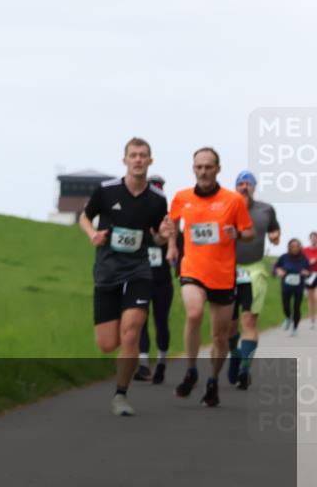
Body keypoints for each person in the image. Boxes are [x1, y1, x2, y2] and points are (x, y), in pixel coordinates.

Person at [79, 140, 174, 416]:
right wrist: (92, 235)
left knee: (131, 332)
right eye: (133, 155)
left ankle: (121, 395)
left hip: (139, 271)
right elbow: (84, 217)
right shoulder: (107, 191)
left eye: (143, 156)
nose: (138, 160)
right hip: (108, 270)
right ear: (125, 161)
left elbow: (156, 235)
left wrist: (163, 236)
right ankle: (124, 349)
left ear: (150, 161)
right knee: (108, 343)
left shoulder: (157, 199)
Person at [168, 147, 255, 408]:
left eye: (208, 167)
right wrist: (171, 244)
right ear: (193, 169)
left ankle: (213, 381)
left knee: (220, 335)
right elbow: (170, 224)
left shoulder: (233, 200)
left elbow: (249, 232)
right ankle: (191, 370)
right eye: (199, 167)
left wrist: (236, 235)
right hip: (192, 269)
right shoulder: (182, 197)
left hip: (223, 275)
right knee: (194, 314)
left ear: (218, 169)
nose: (203, 172)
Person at [225, 171, 281, 390]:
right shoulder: (227, 207)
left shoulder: (265, 209)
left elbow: (274, 229)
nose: (244, 186)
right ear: (235, 187)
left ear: (254, 187)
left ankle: (244, 369)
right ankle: (234, 353)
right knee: (229, 326)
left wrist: (276, 236)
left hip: (254, 270)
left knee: (248, 321)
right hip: (228, 270)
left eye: (248, 183)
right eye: (241, 183)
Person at [133, 175, 175, 385]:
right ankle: (142, 364)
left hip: (162, 280)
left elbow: (179, 249)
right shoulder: (139, 218)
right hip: (141, 278)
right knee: (140, 321)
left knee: (161, 322)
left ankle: (161, 362)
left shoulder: (169, 223)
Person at [273, 239, 313, 336]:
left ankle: (295, 328)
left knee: (297, 307)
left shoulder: (304, 258)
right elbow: (275, 267)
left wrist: (306, 273)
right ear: (289, 247)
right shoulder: (284, 257)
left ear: (300, 247)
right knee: (286, 305)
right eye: (292, 246)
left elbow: (309, 271)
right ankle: (288, 317)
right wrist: (278, 271)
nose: (294, 248)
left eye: (296, 246)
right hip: (286, 285)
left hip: (299, 286)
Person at [304, 232, 317, 330]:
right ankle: (312, 320)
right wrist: (309, 262)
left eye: (315, 238)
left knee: (316, 297)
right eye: (312, 238)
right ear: (309, 239)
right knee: (311, 299)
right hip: (309, 275)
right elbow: (302, 262)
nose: (313, 239)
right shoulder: (305, 250)